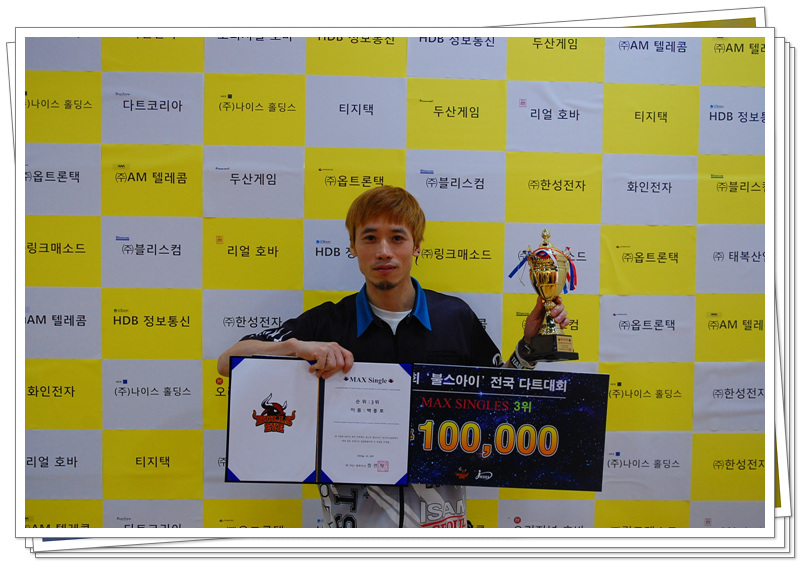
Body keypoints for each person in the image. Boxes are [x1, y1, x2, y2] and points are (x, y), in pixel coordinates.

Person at [217, 185, 570, 528]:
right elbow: (228, 361)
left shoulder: (455, 317)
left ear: (416, 246)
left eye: (397, 238)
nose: (384, 251)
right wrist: (294, 348)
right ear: (353, 246)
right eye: (370, 238)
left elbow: (499, 399)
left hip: (439, 529)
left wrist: (529, 346)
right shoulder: (328, 322)